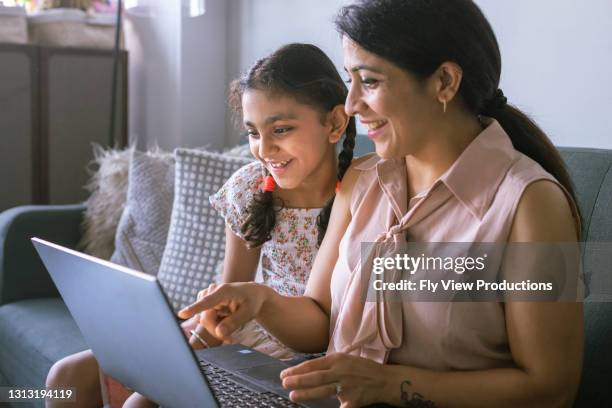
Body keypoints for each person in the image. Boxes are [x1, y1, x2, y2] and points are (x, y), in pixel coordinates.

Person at [179, 1, 584, 407]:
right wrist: (260, 300)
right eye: (349, 81)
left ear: (444, 81)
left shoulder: (532, 203)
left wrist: (389, 384)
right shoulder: (359, 181)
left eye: (369, 82)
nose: (352, 104)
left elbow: (552, 389)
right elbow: (320, 320)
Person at [45, 43, 355, 408]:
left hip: (297, 353)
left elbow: (317, 331)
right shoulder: (250, 188)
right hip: (241, 333)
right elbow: (228, 298)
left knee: (140, 404)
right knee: (65, 377)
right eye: (253, 133)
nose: (264, 149)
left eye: (282, 129)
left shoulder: (358, 196)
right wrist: (194, 348)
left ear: (334, 123)